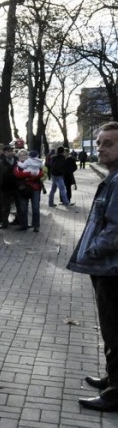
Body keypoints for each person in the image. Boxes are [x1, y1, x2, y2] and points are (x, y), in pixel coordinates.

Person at [67, 121, 118, 412]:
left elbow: (115, 230)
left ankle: (115, 393)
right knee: (112, 330)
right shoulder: (113, 177)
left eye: (108, 143)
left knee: (115, 331)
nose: (100, 147)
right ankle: (112, 379)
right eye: (99, 142)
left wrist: (93, 252)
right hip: (106, 268)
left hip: (111, 268)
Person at [12, 150, 44, 232]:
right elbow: (17, 174)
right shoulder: (17, 166)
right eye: (20, 155)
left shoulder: (34, 162)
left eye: (24, 155)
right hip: (23, 189)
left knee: (36, 208)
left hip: (35, 188)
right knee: (23, 208)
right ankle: (23, 225)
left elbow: (41, 173)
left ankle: (36, 225)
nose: (22, 157)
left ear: (27, 156)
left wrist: (29, 176)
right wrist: (30, 174)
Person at [0, 144, 18, 227]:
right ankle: (4, 222)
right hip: (5, 187)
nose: (11, 153)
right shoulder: (0, 161)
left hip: (16, 186)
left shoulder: (17, 160)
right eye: (8, 151)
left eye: (11, 151)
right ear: (4, 153)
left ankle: (18, 220)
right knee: (5, 206)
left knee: (19, 205)